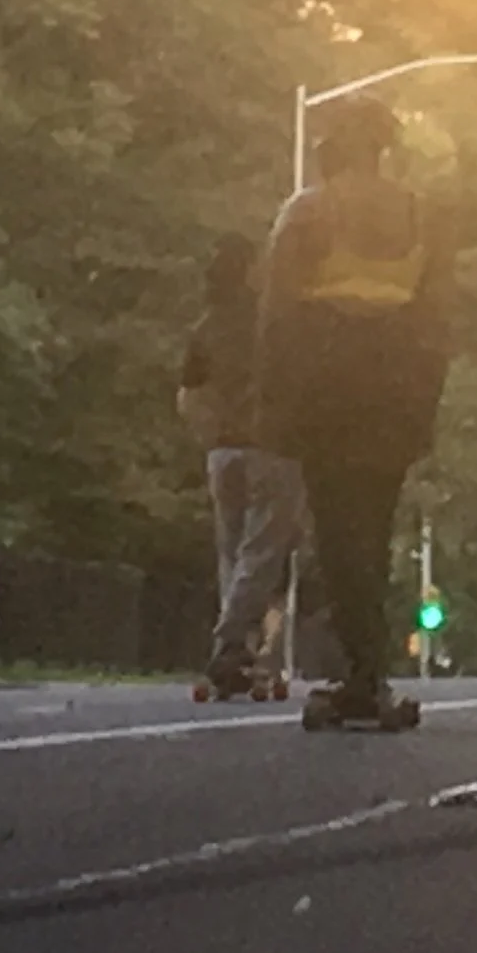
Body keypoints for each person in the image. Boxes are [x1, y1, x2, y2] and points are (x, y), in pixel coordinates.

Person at [259, 95, 451, 730]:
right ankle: (368, 669)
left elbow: (277, 312)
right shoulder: (419, 215)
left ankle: (363, 674)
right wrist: (425, 401)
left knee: (338, 533)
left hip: (328, 384)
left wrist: (274, 401)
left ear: (333, 145)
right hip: (395, 386)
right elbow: (437, 317)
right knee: (374, 528)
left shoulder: (308, 210)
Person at [184, 236, 306, 697]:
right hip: (270, 447)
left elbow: (188, 394)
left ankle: (239, 653)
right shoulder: (273, 322)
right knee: (261, 554)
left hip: (222, 451)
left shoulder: (206, 327)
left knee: (231, 555)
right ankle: (230, 643)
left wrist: (210, 432)